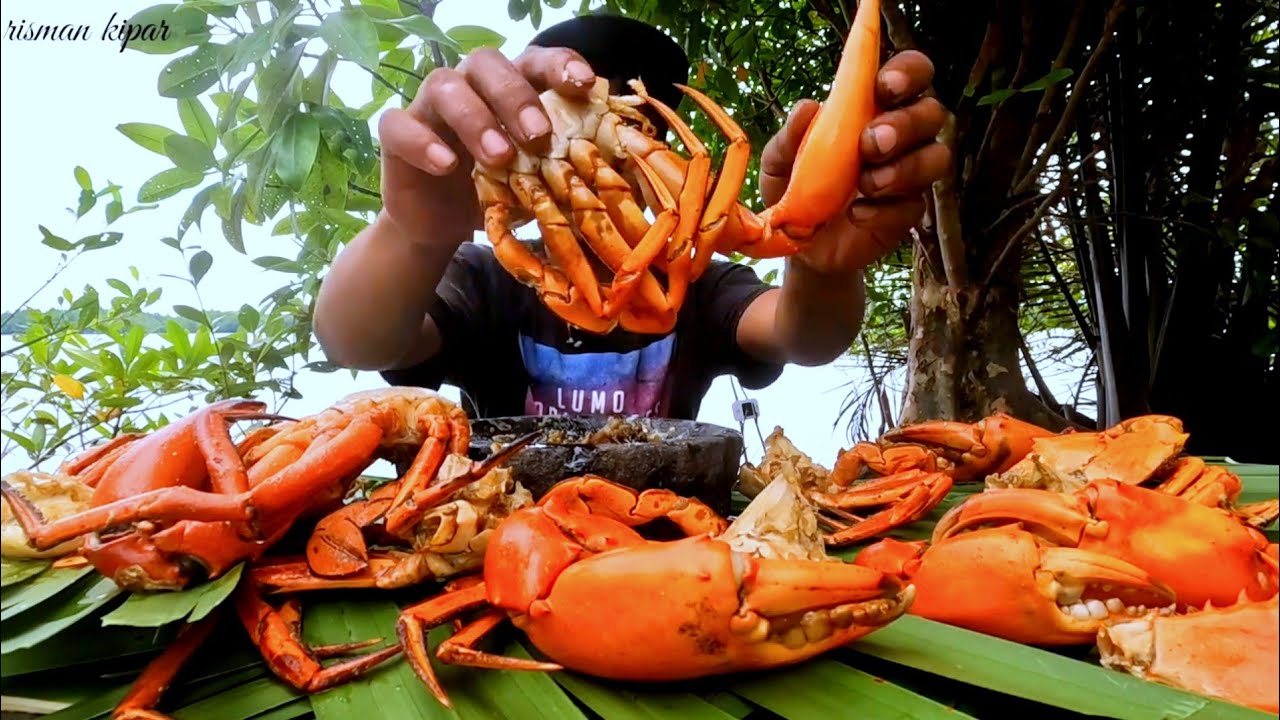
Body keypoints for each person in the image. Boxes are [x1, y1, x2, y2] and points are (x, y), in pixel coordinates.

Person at [314, 14, 950, 421]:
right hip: (502, 547)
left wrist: (811, 253)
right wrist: (414, 234)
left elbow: (803, 335)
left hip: (665, 554)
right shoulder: (486, 279)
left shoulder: (702, 280)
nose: (598, 161)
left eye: (633, 125)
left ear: (669, 148)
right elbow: (358, 341)